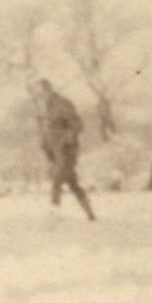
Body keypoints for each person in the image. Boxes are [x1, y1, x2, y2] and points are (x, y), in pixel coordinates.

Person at [32, 78, 96, 219]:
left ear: (48, 89)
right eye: (37, 94)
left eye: (41, 92)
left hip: (66, 151)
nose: (39, 96)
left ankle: (54, 213)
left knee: (57, 179)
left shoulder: (62, 104)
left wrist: (67, 138)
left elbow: (78, 124)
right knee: (72, 183)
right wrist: (45, 145)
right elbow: (48, 130)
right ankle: (90, 214)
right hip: (55, 152)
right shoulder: (45, 107)